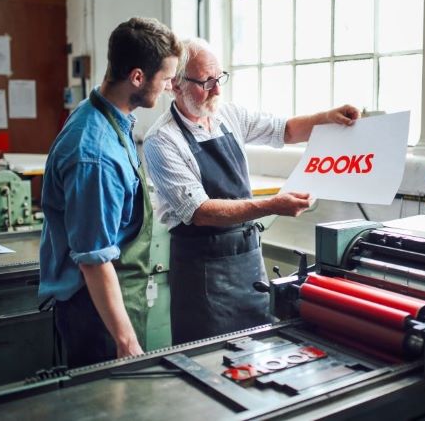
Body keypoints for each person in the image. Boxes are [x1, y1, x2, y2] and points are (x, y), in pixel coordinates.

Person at [143, 38, 360, 344]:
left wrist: (327, 119)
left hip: (248, 262)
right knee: (209, 360)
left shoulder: (227, 116)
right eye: (206, 82)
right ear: (174, 86)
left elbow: (284, 130)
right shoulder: (162, 141)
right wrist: (271, 205)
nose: (217, 90)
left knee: (257, 350)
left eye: (219, 79)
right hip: (202, 274)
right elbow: (201, 212)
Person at [39, 18, 182, 367]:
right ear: (137, 77)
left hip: (107, 298)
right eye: (164, 79)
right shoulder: (97, 153)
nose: (167, 88)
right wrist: (126, 340)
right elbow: (93, 258)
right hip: (94, 310)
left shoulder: (102, 115)